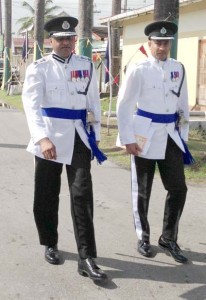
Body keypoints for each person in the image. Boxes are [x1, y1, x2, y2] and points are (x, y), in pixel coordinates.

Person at [22, 16, 107, 281]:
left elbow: (93, 101)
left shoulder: (86, 65)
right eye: (61, 39)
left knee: (82, 196)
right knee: (46, 196)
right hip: (50, 140)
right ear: (51, 41)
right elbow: (31, 106)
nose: (66, 43)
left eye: (70, 38)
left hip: (80, 137)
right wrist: (41, 138)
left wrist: (96, 136)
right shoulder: (39, 68)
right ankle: (50, 241)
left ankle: (87, 257)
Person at [116, 20, 192, 263]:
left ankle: (168, 238)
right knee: (143, 190)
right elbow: (125, 105)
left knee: (178, 187)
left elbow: (183, 105)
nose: (162, 47)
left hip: (170, 133)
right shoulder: (139, 69)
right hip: (144, 135)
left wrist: (184, 138)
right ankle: (143, 236)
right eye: (158, 42)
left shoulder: (178, 68)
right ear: (149, 44)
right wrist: (127, 139)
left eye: (166, 42)